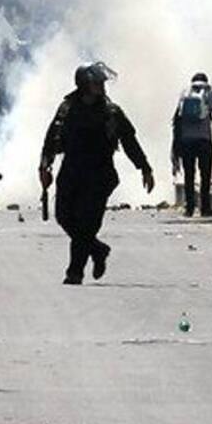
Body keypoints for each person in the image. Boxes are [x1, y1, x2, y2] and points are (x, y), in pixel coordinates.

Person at [40, 63, 154, 285]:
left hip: (99, 176)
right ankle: (98, 249)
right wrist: (44, 165)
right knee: (63, 216)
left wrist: (144, 167)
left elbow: (129, 141)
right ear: (84, 85)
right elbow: (51, 137)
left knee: (86, 224)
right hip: (71, 172)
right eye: (97, 83)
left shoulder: (111, 112)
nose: (102, 87)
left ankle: (75, 272)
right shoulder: (66, 108)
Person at [171, 72, 212, 217]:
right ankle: (205, 208)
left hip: (187, 141)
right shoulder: (209, 93)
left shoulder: (185, 93)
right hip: (204, 140)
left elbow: (178, 118)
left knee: (189, 175)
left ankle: (189, 208)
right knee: (205, 176)